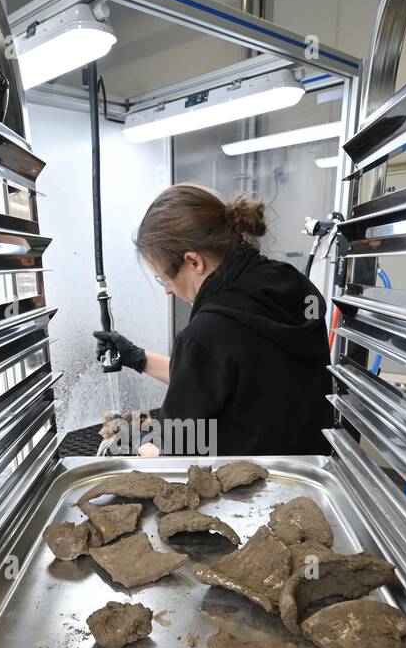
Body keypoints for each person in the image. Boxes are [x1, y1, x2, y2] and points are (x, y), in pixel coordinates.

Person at [94, 184, 333, 456]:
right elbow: (228, 376)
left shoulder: (208, 332)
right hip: (309, 472)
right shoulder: (293, 285)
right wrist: (138, 357)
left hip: (250, 489)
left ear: (193, 262)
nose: (167, 289)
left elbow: (179, 451)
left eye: (164, 277)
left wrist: (143, 448)